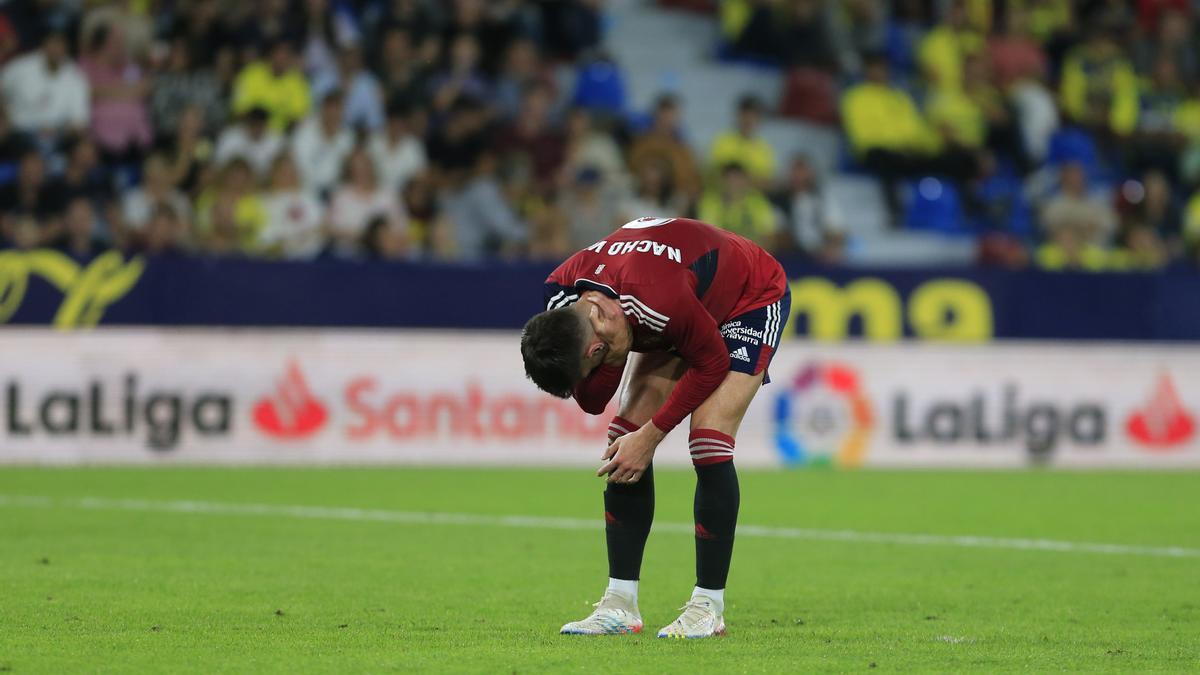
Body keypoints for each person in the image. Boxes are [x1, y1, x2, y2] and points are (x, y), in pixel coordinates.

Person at [520, 216, 791, 639]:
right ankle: (620, 604)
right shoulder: (561, 294)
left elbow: (712, 363)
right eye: (600, 355)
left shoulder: (655, 299)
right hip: (678, 305)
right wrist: (615, 355)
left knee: (707, 439)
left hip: (747, 297)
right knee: (621, 438)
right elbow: (592, 401)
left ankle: (708, 606)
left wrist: (651, 436)